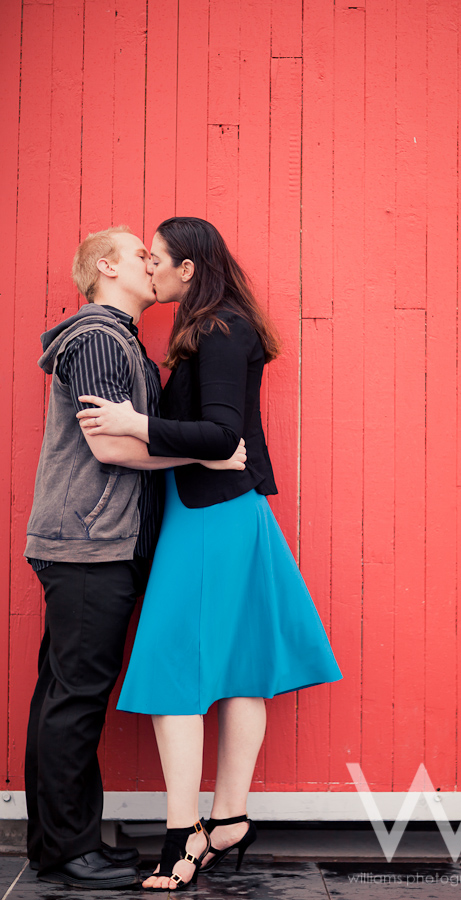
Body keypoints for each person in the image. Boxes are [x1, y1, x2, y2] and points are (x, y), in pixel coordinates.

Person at [77, 216, 342, 891]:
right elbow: (224, 440)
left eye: (158, 259)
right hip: (222, 513)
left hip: (211, 517)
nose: (152, 269)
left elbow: (223, 435)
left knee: (177, 675)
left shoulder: (220, 329)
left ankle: (179, 838)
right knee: (238, 669)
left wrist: (136, 422)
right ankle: (227, 820)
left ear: (189, 269)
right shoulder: (215, 327)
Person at [24, 226, 245, 889]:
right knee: (76, 699)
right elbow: (110, 447)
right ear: (110, 266)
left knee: (63, 696)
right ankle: (68, 849)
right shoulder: (96, 339)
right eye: (143, 257)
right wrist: (209, 451)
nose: (155, 267)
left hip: (99, 545)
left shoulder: (120, 343)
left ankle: (59, 842)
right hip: (89, 546)